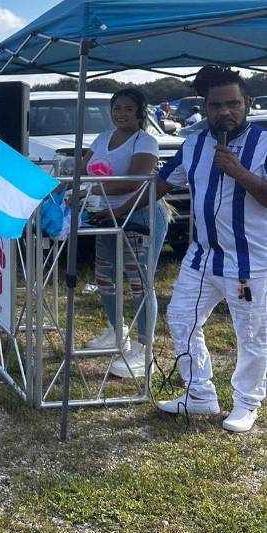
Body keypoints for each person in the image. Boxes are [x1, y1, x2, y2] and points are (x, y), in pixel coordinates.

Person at [157, 65, 267, 433]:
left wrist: (239, 172)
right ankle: (199, 393)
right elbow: (160, 183)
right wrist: (111, 203)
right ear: (205, 108)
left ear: (247, 102)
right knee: (181, 318)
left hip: (250, 262)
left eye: (233, 104)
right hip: (202, 258)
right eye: (216, 105)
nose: (225, 112)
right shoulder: (194, 144)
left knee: (251, 335)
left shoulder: (264, 143)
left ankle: (247, 403)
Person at [83, 88, 168, 378]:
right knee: (104, 277)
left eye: (128, 109)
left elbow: (135, 181)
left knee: (140, 283)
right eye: (117, 108)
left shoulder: (146, 142)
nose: (121, 114)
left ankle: (144, 350)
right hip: (106, 215)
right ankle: (116, 332)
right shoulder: (102, 138)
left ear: (141, 113)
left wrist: (91, 189)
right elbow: (83, 169)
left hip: (140, 216)